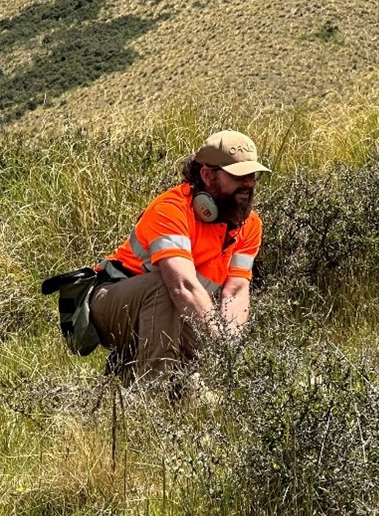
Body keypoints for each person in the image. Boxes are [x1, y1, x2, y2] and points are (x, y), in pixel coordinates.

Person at [90, 129, 269, 384]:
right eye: (239, 175)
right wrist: (218, 341)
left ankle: (131, 374)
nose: (249, 183)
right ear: (207, 175)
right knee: (167, 285)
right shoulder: (171, 210)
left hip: (167, 312)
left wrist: (231, 343)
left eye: (253, 175)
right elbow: (181, 286)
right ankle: (152, 397)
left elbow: (237, 292)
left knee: (204, 371)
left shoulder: (250, 226)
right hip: (109, 303)